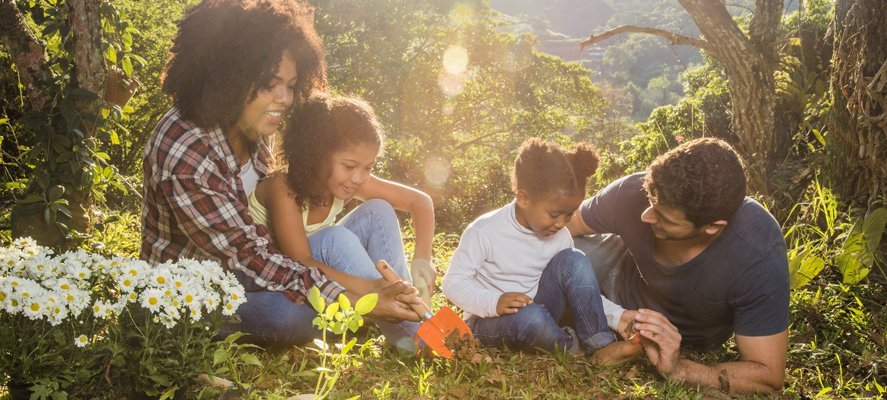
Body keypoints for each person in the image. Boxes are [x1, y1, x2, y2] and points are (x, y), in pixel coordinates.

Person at [141, 0, 419, 349]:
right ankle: (395, 324)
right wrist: (364, 296)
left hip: (267, 263)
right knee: (287, 315)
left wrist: (371, 290)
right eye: (272, 84)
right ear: (229, 75)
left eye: (290, 84)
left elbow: (278, 252)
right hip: (205, 294)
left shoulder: (251, 122)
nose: (285, 98)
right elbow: (250, 257)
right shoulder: (186, 153)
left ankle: (412, 327)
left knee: (348, 236)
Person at [566, 138, 789, 393]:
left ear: (712, 227)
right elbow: (565, 223)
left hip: (679, 332)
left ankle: (595, 326)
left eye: (663, 217)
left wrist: (680, 369)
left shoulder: (757, 253)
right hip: (617, 269)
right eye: (651, 201)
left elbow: (769, 375)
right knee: (556, 254)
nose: (645, 216)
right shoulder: (632, 192)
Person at [248, 94, 437, 347]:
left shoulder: (345, 181)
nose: (359, 178)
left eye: (368, 167)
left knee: (378, 209)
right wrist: (372, 288)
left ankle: (406, 306)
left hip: (322, 271)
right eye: (349, 166)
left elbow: (419, 202)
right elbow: (300, 262)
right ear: (317, 156)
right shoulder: (282, 187)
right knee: (333, 238)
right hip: (284, 279)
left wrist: (423, 259)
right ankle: (418, 337)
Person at [441, 138, 640, 364]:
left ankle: (601, 345)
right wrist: (494, 301)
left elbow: (581, 287)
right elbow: (453, 283)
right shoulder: (484, 231)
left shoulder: (561, 237)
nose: (561, 223)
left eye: (569, 214)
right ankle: (572, 347)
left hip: (541, 309)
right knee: (532, 318)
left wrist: (618, 317)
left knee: (575, 261)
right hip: (490, 320)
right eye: (555, 214)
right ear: (524, 198)